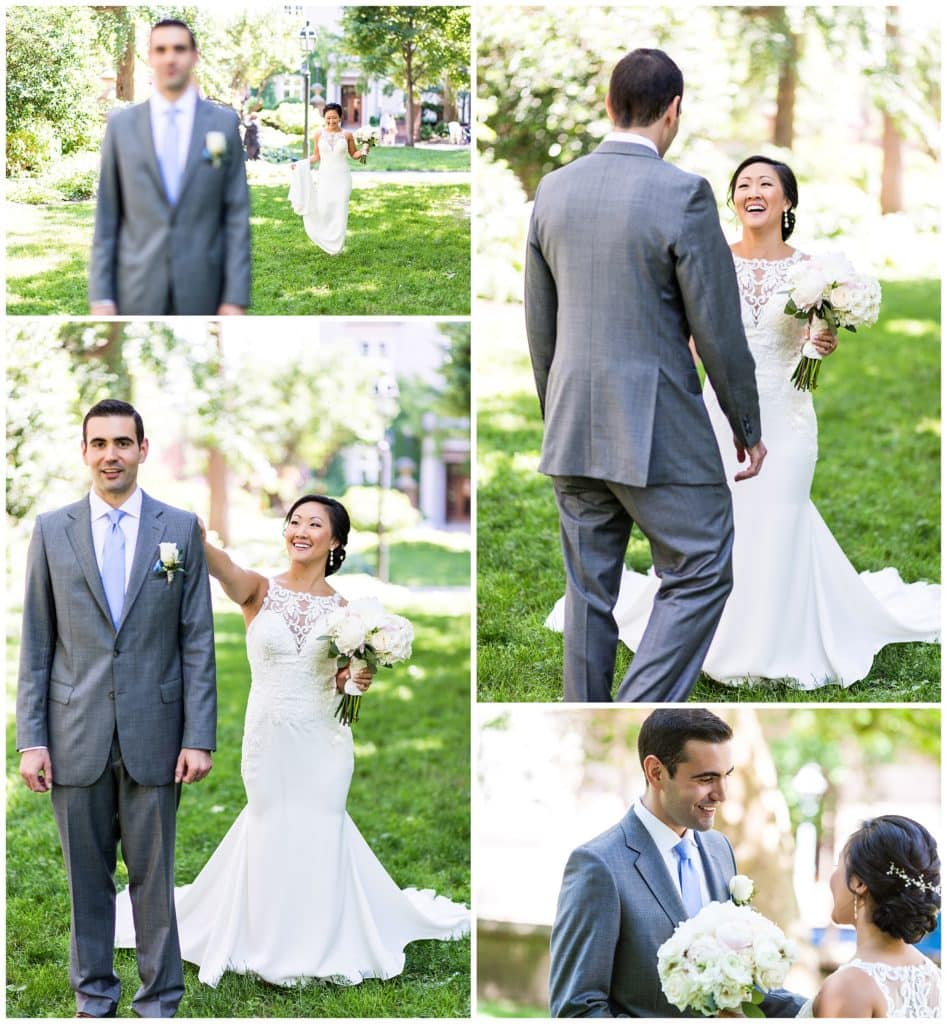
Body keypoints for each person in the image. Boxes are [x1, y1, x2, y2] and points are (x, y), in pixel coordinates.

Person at [549, 155, 940, 687]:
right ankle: (718, 635)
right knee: (719, 523)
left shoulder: (814, 271)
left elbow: (815, 341)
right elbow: (688, 337)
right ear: (733, 200)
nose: (751, 191)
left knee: (780, 514)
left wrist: (818, 344)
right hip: (714, 411)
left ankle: (779, 639)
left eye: (765, 184)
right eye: (742, 185)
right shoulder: (711, 259)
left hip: (787, 414)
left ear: (787, 201)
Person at [115, 494, 469, 986]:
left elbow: (346, 680)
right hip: (269, 739)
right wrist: (192, 531)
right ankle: (266, 939)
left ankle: (320, 941)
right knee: (270, 823)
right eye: (294, 522)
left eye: (314, 524)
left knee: (321, 827)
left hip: (325, 740)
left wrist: (353, 683)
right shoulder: (259, 591)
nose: (300, 530)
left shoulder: (351, 613)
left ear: (336, 540)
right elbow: (222, 567)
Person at [525, 49, 766, 705]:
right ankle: (637, 708)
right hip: (654, 424)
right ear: (673, 110)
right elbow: (716, 327)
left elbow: (538, 326)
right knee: (702, 565)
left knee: (588, 590)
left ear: (609, 105)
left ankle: (586, 714)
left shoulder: (552, 189)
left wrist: (558, 415)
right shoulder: (682, 194)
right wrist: (745, 423)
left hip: (571, 421)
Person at [16, 399, 217, 1018]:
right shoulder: (52, 530)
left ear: (143, 449)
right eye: (98, 443)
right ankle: (94, 997)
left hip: (156, 732)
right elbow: (37, 642)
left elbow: (197, 639)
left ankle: (159, 999)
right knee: (86, 879)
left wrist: (199, 735)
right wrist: (32, 739)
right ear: (84, 452)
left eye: (122, 443)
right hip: (73, 732)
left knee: (153, 879)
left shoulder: (178, 529)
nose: (111, 455)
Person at [548, 708, 803, 1017]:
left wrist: (824, 1009)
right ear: (656, 772)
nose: (721, 794)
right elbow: (577, 1010)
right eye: (706, 778)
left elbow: (745, 986)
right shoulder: (598, 866)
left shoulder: (720, 849)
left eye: (726, 776)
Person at [88, 19, 251, 315]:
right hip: (137, 288)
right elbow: (107, 216)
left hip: (205, 288)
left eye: (179, 48)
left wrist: (235, 297)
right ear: (150, 57)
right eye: (160, 49)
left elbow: (236, 215)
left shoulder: (223, 124)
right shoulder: (120, 126)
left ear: (194, 56)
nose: (170, 57)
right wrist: (101, 296)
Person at [801, 815, 940, 1017]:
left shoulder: (847, 988)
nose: (832, 879)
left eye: (837, 867)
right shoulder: (935, 979)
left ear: (859, 883)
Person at [288, 102, 369, 255]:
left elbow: (355, 155)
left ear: (340, 117)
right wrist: (300, 164)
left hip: (343, 178)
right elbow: (316, 156)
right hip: (325, 177)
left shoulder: (347, 135)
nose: (331, 121)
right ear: (324, 118)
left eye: (334, 118)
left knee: (340, 208)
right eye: (328, 118)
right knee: (324, 208)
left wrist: (365, 148)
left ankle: (337, 247)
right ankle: (325, 238)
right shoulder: (318, 134)